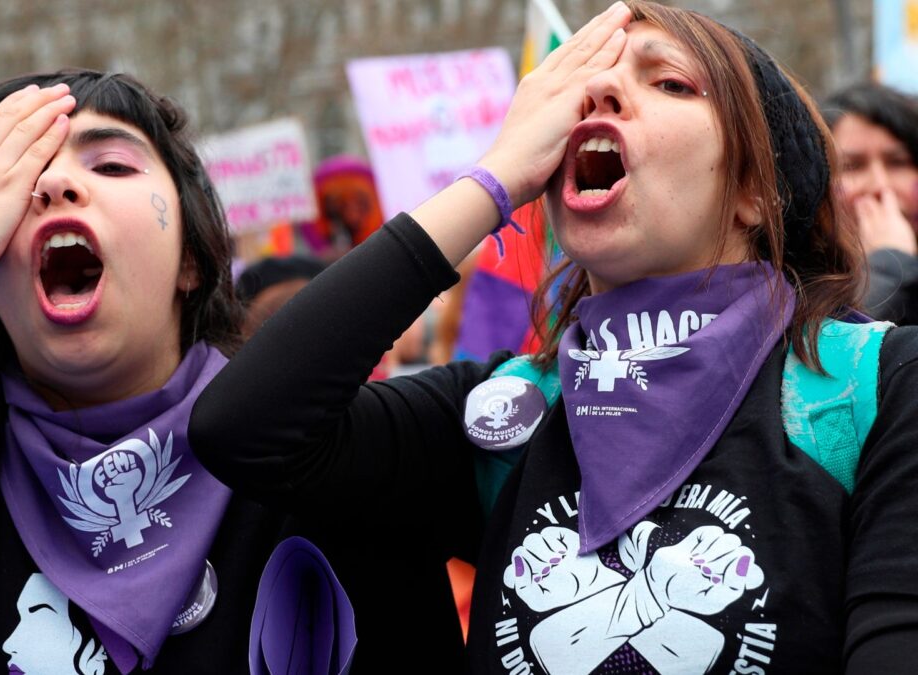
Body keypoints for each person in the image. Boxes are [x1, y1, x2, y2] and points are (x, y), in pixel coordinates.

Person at [190, 2, 918, 673]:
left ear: (756, 192)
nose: (595, 97)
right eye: (578, 88)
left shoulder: (875, 387)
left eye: (667, 82)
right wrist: (492, 180)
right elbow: (243, 426)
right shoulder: (503, 412)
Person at [0, 70, 464, 673]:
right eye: (10, 188)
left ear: (194, 259)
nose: (53, 187)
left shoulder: (325, 446)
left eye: (109, 164)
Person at [824, 82, 918, 324]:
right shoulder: (793, 287)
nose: (879, 185)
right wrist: (888, 267)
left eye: (898, 162)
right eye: (852, 166)